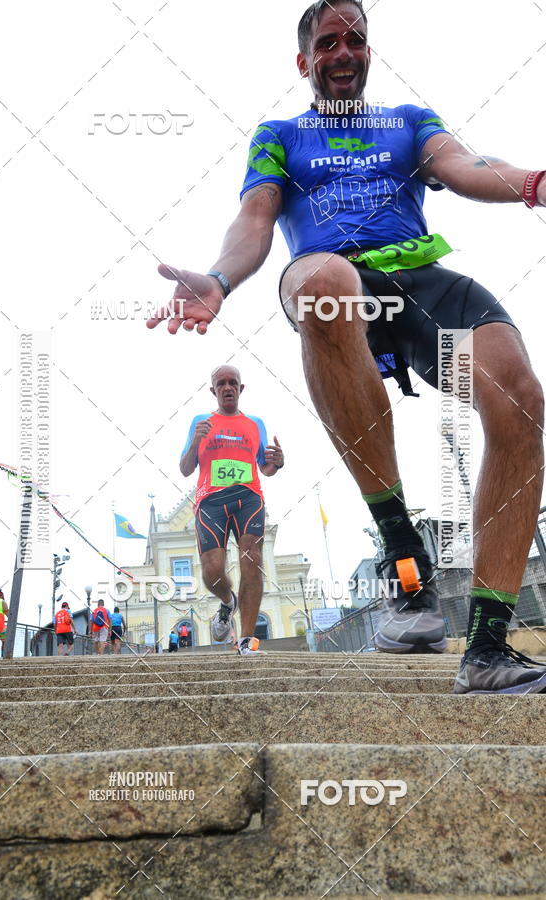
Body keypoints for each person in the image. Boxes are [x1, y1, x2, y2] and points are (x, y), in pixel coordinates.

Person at [149, 1, 546, 693]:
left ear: (368, 52)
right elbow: (255, 218)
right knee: (326, 279)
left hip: (418, 277)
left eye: (355, 39)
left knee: (524, 403)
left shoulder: (407, 121)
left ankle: (486, 649)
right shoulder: (279, 134)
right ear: (305, 61)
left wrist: (534, 184)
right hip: (334, 278)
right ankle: (403, 558)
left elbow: (463, 163)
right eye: (327, 41)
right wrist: (217, 279)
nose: (342, 50)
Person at [178, 366, 284, 657]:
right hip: (210, 501)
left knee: (252, 558)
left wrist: (278, 461)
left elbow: (266, 467)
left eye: (233, 383)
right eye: (221, 384)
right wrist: (196, 442)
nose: (228, 388)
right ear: (213, 390)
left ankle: (247, 641)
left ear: (241, 388)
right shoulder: (201, 422)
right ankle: (227, 601)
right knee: (212, 571)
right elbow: (186, 469)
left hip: (249, 497)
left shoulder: (255, 423)